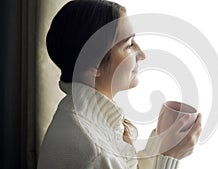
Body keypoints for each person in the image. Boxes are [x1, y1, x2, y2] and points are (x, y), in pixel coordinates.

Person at [37, 0, 202, 169]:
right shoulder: (94, 151)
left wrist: (160, 147)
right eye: (129, 45)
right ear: (94, 66)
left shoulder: (86, 120)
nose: (142, 54)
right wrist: (170, 157)